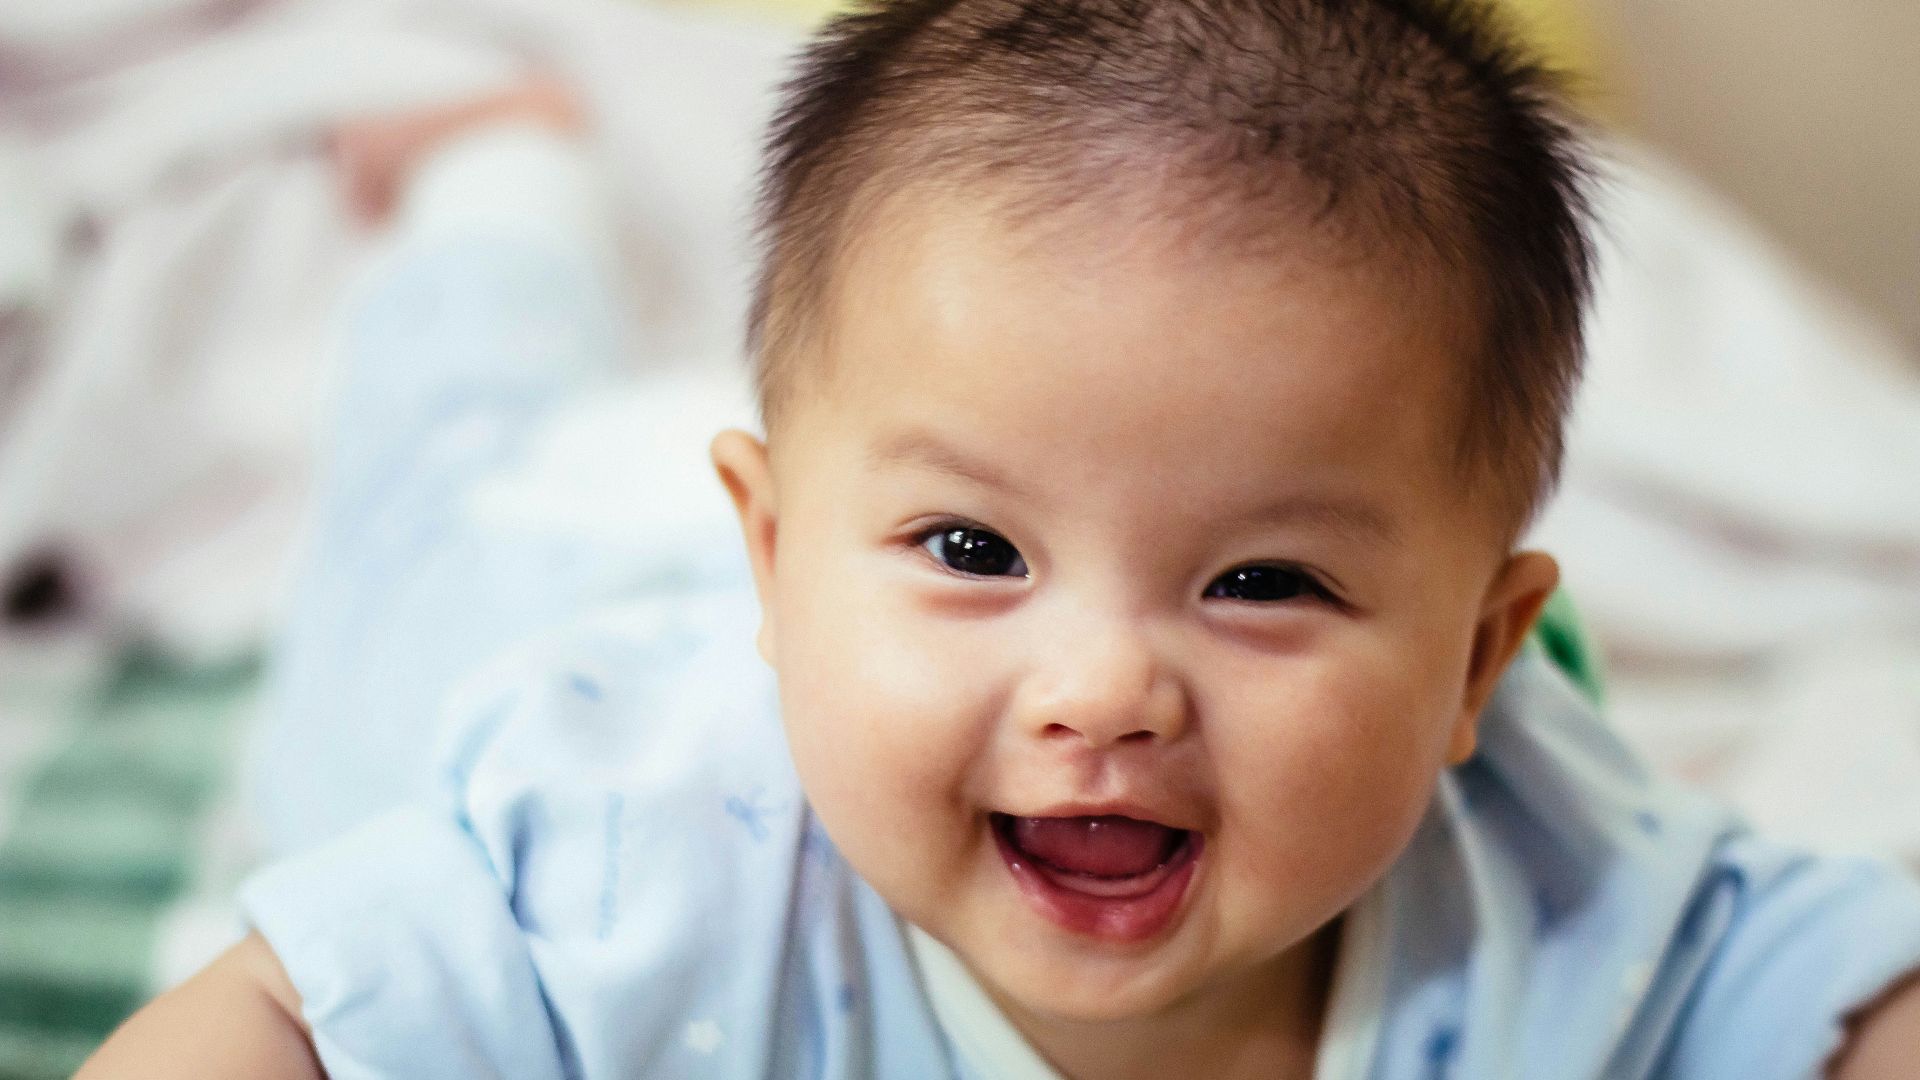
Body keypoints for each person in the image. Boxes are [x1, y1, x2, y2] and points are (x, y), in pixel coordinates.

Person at [79, 0, 1920, 1076]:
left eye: (1263, 580)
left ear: (1479, 662)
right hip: (534, 581)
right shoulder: (618, 854)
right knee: (443, 454)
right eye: (980, 553)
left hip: (832, 540)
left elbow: (1837, 990)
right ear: (776, 556)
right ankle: (504, 176)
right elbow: (277, 1025)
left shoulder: (1552, 886)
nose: (1106, 688)